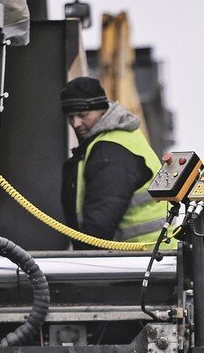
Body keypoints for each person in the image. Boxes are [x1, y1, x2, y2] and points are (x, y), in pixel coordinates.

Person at [60, 77, 167, 249]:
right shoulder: (122, 138)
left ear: (102, 111)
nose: (76, 123)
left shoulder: (109, 150)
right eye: (70, 117)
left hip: (140, 261)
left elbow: (100, 221)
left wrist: (85, 264)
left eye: (82, 115)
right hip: (148, 257)